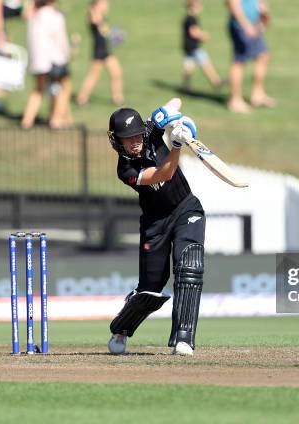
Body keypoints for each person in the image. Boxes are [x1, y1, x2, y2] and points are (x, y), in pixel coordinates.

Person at [107, 98, 205, 357]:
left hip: (185, 208)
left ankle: (183, 339)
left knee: (189, 266)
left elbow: (176, 101)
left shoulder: (151, 131)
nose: (135, 141)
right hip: (155, 222)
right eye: (127, 138)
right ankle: (121, 328)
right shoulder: (125, 169)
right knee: (150, 289)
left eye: (137, 135)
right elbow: (164, 174)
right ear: (116, 141)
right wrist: (176, 146)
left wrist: (173, 119)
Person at [21, 0, 72, 129]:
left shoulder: (34, 15)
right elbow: (61, 40)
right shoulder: (55, 16)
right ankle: (56, 119)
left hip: (37, 61)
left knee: (38, 90)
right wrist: (67, 54)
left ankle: (27, 121)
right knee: (63, 89)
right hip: (54, 59)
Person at [226, 0, 275, 113]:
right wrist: (246, 26)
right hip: (241, 27)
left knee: (262, 56)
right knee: (239, 62)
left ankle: (257, 95)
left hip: (254, 26)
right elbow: (232, 4)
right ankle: (235, 100)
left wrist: (264, 14)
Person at [76, 0, 124, 106]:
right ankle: (81, 98)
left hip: (106, 50)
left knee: (117, 73)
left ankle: (117, 98)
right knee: (93, 76)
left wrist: (116, 35)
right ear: (97, 5)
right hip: (98, 51)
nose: (106, 6)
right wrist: (94, 9)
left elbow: (105, 32)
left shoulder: (102, 17)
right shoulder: (94, 16)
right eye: (104, 4)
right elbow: (95, 20)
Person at [181, 0, 223, 92]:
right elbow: (194, 32)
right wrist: (204, 36)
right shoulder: (192, 19)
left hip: (187, 46)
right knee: (206, 62)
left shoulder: (186, 18)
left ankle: (185, 86)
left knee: (189, 67)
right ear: (194, 6)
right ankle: (216, 81)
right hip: (194, 47)